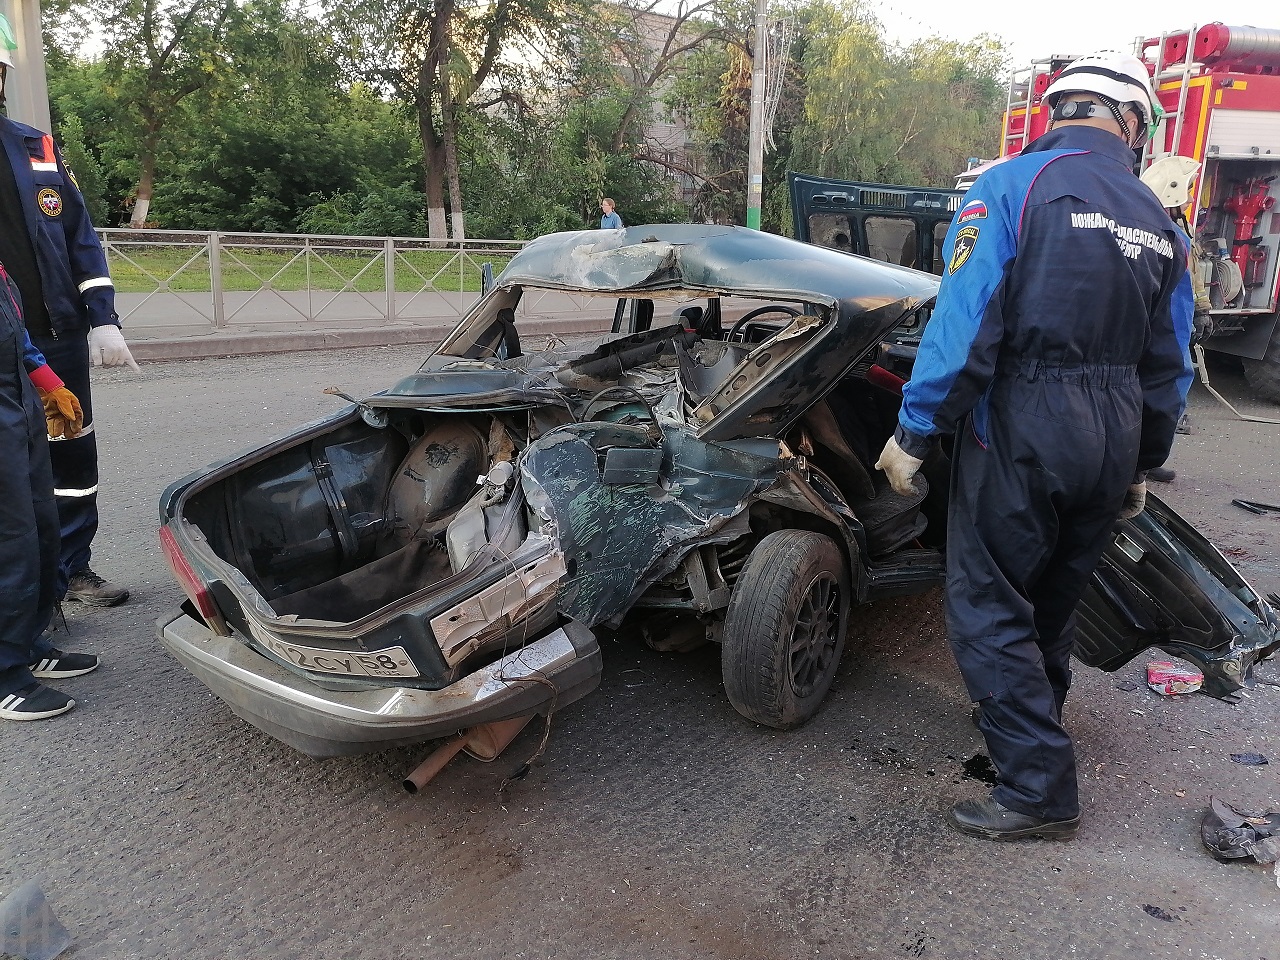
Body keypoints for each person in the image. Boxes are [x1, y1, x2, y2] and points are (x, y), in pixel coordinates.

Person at [874, 51, 1194, 841]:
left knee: (988, 605)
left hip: (1023, 423)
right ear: (1132, 124)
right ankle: (1030, 727)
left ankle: (1038, 791)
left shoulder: (1012, 187)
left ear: (1060, 112)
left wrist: (916, 430)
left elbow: (964, 325)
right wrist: (1141, 464)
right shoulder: (1160, 222)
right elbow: (1170, 362)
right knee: (1051, 602)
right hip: (1113, 431)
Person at [1, 25, 138, 607]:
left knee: (72, 454)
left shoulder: (37, 150)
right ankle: (26, 592)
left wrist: (102, 317)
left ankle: (72, 572)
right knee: (13, 470)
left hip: (53, 334)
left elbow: (81, 240)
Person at [1, 260, 100, 720]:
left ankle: (25, 641)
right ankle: (4, 673)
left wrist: (48, 381)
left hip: (16, 403)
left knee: (42, 528)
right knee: (9, 543)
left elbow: (16, 331)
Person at [1140, 154, 1210, 478]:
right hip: (1169, 327)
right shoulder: (1172, 237)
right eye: (1188, 191)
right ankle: (1145, 460)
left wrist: (1203, 308)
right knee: (1173, 379)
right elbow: (1180, 297)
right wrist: (1195, 317)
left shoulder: (1155, 229)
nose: (1192, 197)